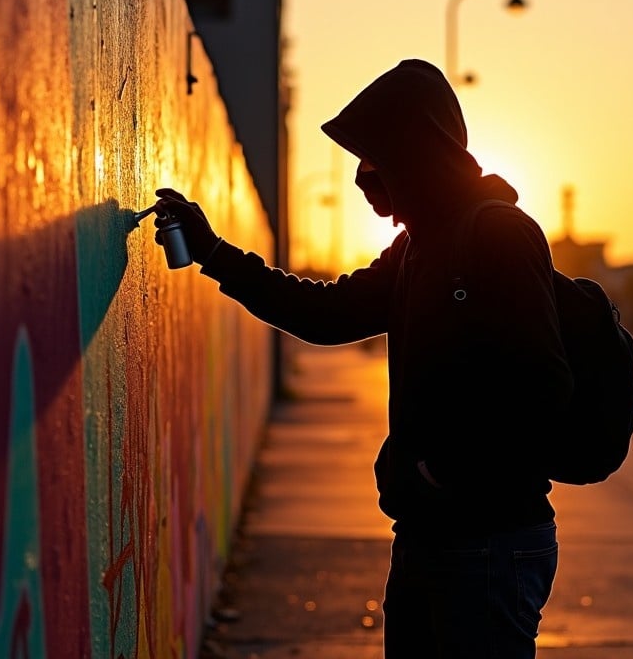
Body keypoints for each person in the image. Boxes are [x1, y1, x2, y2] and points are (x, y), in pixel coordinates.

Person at [152, 58, 573, 658]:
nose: (361, 177)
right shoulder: (416, 248)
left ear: (416, 154)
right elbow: (327, 314)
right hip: (431, 537)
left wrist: (444, 474)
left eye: (374, 160)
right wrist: (215, 253)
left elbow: (543, 391)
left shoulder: (498, 235)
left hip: (489, 542)